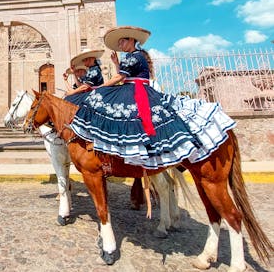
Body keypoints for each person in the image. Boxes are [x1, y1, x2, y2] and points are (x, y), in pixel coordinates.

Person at [69, 26, 236, 170]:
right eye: (119, 43)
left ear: (132, 40)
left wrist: (100, 88)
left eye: (122, 42)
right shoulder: (133, 56)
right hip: (130, 87)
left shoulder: (135, 56)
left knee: (124, 112)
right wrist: (116, 64)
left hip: (138, 90)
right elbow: (125, 74)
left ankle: (142, 150)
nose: (120, 45)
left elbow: (119, 77)